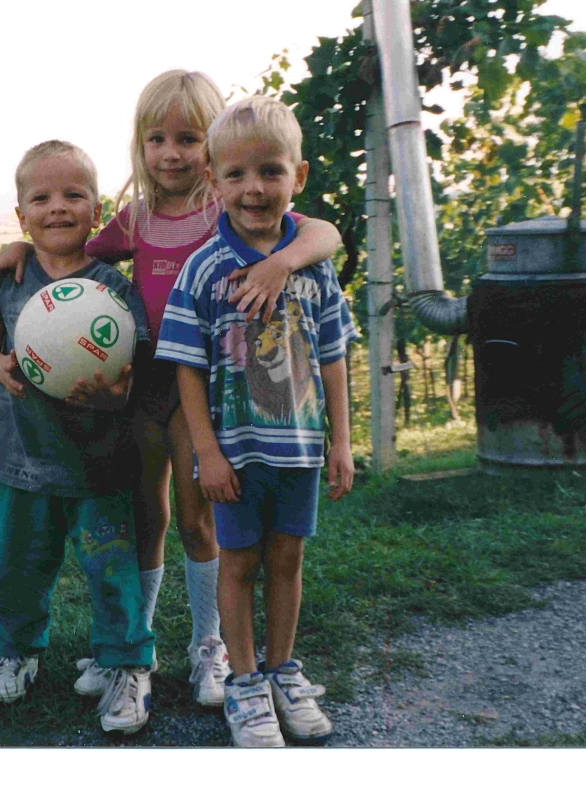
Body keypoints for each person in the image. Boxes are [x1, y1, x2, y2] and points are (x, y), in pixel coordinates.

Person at [0, 71, 342, 708]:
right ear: (141, 146)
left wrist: (280, 262)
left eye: (189, 138)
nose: (171, 153)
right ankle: (129, 648)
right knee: (145, 514)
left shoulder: (230, 203)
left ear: (214, 147)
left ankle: (210, 650)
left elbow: (322, 234)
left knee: (201, 520)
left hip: (210, 390)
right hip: (142, 385)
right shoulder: (137, 218)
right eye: (157, 138)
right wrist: (15, 243)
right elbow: (69, 241)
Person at [155, 95, 357, 747]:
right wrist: (206, 454)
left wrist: (342, 443)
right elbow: (186, 367)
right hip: (235, 456)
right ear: (214, 182)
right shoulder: (205, 271)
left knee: (289, 559)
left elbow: (332, 357)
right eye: (236, 175)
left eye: (270, 171)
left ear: (298, 177)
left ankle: (283, 672)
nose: (254, 188)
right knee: (237, 564)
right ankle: (244, 685)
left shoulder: (316, 269)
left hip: (297, 450)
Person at [0, 140, 155, 735]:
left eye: (74, 195)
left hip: (99, 463)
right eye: (41, 197)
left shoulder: (114, 289)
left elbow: (136, 372)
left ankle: (126, 666)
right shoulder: (10, 279)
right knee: (18, 568)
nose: (57, 207)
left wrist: (115, 397)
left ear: (96, 211)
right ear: (21, 216)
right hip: (24, 460)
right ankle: (17, 653)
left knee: (111, 570)